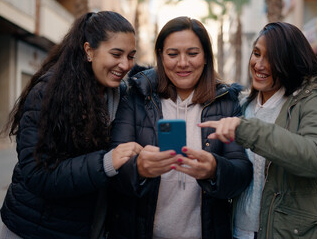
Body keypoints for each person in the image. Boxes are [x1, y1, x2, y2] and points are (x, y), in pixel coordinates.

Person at [0, 11, 142, 239]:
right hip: (36, 228)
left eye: (131, 56)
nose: (125, 65)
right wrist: (106, 162)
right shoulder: (48, 93)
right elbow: (37, 174)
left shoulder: (119, 93)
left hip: (87, 226)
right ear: (89, 50)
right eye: (116, 54)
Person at [107, 16, 253, 239]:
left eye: (192, 54)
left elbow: (242, 175)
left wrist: (215, 169)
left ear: (205, 57)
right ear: (161, 56)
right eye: (173, 54)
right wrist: (139, 168)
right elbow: (113, 169)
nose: (183, 63)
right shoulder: (137, 96)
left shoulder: (226, 101)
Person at [199, 22, 317, 239]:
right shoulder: (242, 106)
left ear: (289, 62)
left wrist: (250, 131)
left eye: (272, 59)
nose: (259, 64)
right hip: (241, 232)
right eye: (256, 53)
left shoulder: (308, 101)